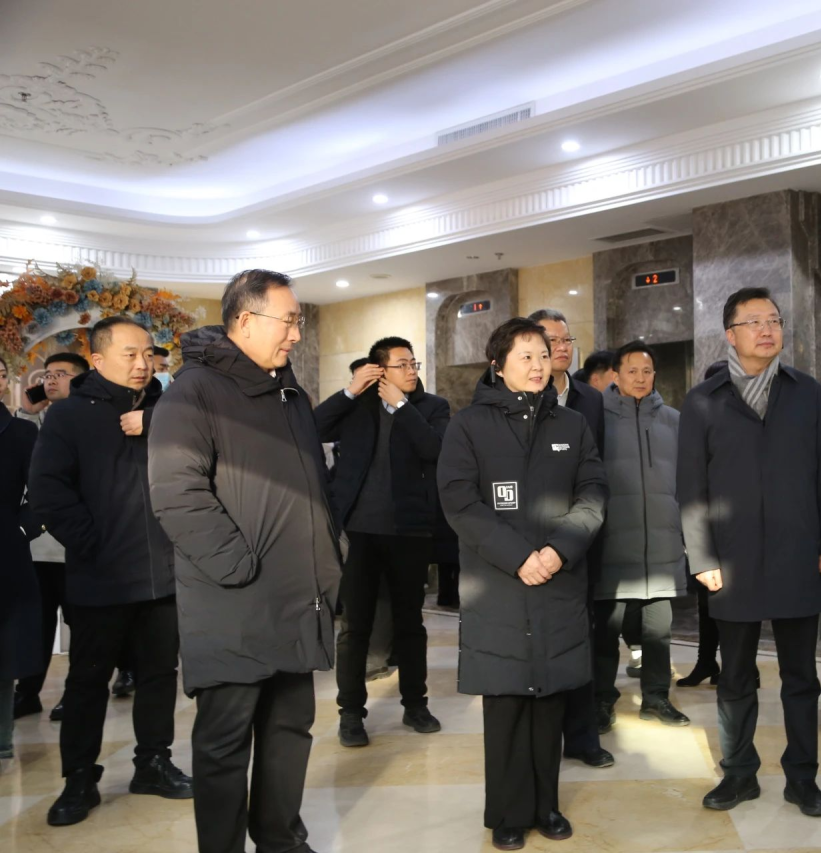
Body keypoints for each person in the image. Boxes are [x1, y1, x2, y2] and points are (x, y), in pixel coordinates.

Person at [148, 269, 342, 853]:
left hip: (296, 596)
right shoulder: (194, 392)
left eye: (298, 322)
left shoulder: (289, 392)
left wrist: (330, 550)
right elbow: (176, 493)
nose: (296, 334)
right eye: (290, 321)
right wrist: (238, 566)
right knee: (225, 743)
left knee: (290, 729)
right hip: (233, 600)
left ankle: (280, 838)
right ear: (245, 320)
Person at [678, 287, 821, 817]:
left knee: (802, 677)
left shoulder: (806, 392)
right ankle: (738, 774)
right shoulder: (703, 400)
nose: (767, 329)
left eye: (773, 319)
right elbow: (691, 488)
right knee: (735, 676)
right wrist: (701, 557)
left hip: (798, 552)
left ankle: (803, 778)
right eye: (753, 321)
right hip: (731, 559)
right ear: (730, 335)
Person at [437, 317, 607, 851]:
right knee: (507, 698)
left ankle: (546, 806)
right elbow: (459, 501)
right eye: (526, 355)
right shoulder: (468, 426)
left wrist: (558, 551)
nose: (538, 365)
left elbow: (594, 493)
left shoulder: (572, 425)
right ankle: (508, 813)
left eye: (544, 354)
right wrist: (519, 558)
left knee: (551, 696)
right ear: (498, 364)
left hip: (557, 577)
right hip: (499, 582)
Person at [29, 317, 190, 827]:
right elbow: (49, 492)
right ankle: (79, 778)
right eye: (129, 354)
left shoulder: (169, 410)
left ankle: (153, 763)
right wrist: (93, 546)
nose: (142, 364)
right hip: (101, 575)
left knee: (160, 675)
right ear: (97, 360)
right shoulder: (69, 415)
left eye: (147, 354)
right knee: (88, 681)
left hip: (165, 573)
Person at [316, 335, 450, 745]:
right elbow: (312, 428)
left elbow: (436, 449)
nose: (411, 370)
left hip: (410, 531)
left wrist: (403, 407)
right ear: (380, 370)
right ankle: (350, 714)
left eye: (413, 364)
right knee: (355, 626)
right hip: (359, 532)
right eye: (401, 364)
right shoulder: (358, 405)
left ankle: (416, 704)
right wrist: (349, 391)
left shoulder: (431, 407)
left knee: (409, 623)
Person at [529, 308, 614, 769]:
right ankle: (540, 738)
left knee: (582, 637)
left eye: (566, 340)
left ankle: (582, 736)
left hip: (580, 537)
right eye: (551, 340)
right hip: (531, 540)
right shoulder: (515, 395)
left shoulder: (590, 400)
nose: (560, 348)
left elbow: (595, 471)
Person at [593, 341, 689, 729]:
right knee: (605, 633)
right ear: (615, 375)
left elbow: (687, 482)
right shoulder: (596, 419)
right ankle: (601, 700)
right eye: (631, 371)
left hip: (662, 545)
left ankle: (656, 698)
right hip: (612, 543)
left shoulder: (674, 420)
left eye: (647, 371)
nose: (640, 378)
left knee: (658, 634)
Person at [12, 351, 90, 722]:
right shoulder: (31, 423)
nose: (51, 380)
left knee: (82, 625)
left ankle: (75, 695)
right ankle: (28, 693)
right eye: (48, 374)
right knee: (36, 625)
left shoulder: (89, 421)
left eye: (61, 374)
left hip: (75, 544)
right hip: (36, 547)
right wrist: (28, 413)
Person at [676, 359, 729, 689]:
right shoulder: (699, 422)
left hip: (736, 527)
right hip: (705, 526)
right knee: (707, 601)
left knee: (735, 605)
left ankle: (741, 667)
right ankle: (706, 661)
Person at [0, 398, 41, 762]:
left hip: (4, 554)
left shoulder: (21, 432)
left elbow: (44, 491)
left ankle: (1, 739)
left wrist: (21, 531)